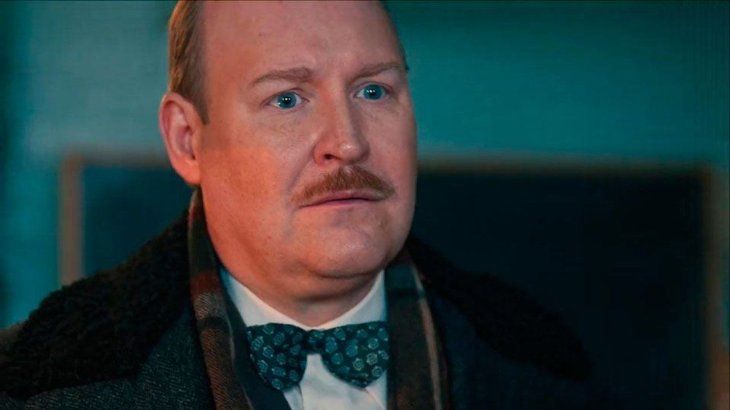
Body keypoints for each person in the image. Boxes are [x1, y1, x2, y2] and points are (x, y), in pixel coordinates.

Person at [1, 1, 598, 408]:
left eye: (373, 91)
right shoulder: (36, 385)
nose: (348, 142)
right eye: (287, 99)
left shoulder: (542, 370)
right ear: (187, 141)